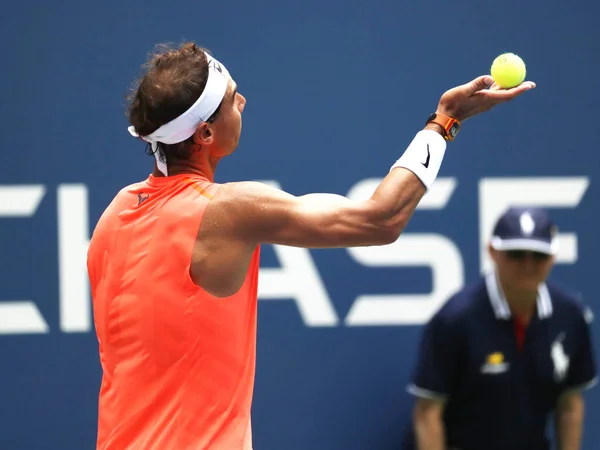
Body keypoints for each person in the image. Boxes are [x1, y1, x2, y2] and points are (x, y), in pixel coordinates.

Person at [86, 41, 535, 450]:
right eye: (230, 100)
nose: (242, 102)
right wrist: (444, 122)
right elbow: (380, 220)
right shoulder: (225, 210)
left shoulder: (114, 216)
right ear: (204, 135)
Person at [403, 206, 597, 450]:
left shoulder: (570, 315)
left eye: (538, 255)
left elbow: (570, 405)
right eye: (516, 253)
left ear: (553, 257)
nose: (528, 264)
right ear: (493, 251)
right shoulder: (455, 319)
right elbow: (428, 413)